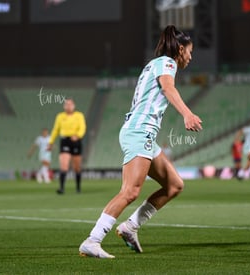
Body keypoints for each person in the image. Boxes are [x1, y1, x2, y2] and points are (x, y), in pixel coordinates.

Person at [79, 25, 202, 259]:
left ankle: (130, 227)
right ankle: (93, 240)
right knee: (130, 191)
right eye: (189, 51)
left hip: (142, 133)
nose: (190, 56)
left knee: (174, 185)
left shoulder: (155, 64)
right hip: (139, 132)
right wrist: (187, 113)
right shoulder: (167, 62)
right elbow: (168, 88)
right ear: (179, 49)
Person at [48, 98, 86, 194]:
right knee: (64, 165)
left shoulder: (79, 115)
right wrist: (50, 142)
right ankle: (61, 188)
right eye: (66, 104)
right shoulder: (60, 116)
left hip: (76, 141)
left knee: (77, 167)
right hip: (65, 141)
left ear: (74, 106)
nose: (68, 106)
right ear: (64, 106)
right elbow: (55, 129)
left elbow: (83, 127)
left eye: (70, 104)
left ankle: (78, 188)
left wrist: (78, 136)